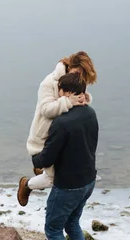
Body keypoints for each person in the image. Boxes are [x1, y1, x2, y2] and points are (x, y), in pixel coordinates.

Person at [18, 51, 97, 206]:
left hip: (63, 136)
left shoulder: (76, 79)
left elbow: (78, 98)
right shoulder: (49, 83)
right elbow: (46, 110)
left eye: (83, 76)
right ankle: (26, 185)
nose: (80, 78)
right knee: (53, 179)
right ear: (70, 66)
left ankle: (41, 170)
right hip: (45, 136)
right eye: (78, 73)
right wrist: (69, 101)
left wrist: (85, 98)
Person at [31, 72, 99, 240]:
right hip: (89, 181)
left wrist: (35, 158)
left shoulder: (61, 123)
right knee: (72, 223)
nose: (57, 94)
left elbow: (47, 159)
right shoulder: (90, 113)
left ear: (67, 93)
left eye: (59, 90)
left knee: (53, 229)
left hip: (69, 186)